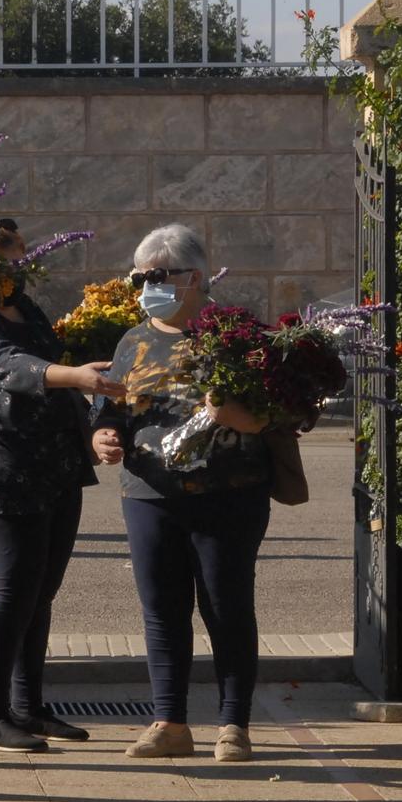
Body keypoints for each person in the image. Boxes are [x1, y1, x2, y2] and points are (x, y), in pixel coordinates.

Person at [90, 224, 271, 763]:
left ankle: (233, 725)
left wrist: (231, 411)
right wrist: (102, 436)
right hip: (148, 494)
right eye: (139, 276)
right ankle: (169, 722)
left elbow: (272, 415)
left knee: (226, 605)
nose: (146, 285)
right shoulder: (133, 340)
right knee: (162, 610)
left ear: (193, 278)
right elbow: (110, 409)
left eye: (156, 275)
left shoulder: (237, 336)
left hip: (228, 494)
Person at [0, 219, 124, 752]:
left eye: (17, 256)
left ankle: (27, 708)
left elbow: (51, 357)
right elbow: (10, 366)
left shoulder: (26, 307)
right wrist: (75, 377)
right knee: (11, 593)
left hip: (56, 463)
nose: (11, 267)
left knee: (40, 592)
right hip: (5, 466)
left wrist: (92, 430)